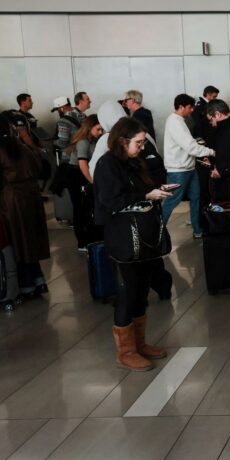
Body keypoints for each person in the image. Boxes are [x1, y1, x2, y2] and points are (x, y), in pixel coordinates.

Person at [93, 117, 172, 371]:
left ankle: (139, 343)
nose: (142, 147)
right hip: (123, 239)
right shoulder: (107, 165)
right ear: (122, 141)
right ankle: (125, 351)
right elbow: (111, 201)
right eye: (138, 142)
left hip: (143, 238)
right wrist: (146, 195)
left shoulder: (132, 162)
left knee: (141, 290)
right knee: (126, 293)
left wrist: (157, 189)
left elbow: (140, 189)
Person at [0, 114, 51, 298]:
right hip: (32, 197)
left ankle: (25, 285)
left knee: (16, 243)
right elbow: (39, 168)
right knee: (30, 242)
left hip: (11, 201)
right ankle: (38, 281)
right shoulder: (23, 147)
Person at [161, 94, 215, 238]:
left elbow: (189, 144)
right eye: (190, 107)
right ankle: (157, 232)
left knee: (196, 198)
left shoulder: (180, 120)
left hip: (188, 168)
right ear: (181, 107)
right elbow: (190, 147)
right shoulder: (175, 122)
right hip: (178, 170)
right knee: (172, 201)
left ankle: (197, 230)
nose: (192, 110)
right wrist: (211, 152)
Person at [64, 115, 104, 250]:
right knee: (80, 209)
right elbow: (82, 165)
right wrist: (92, 182)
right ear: (89, 127)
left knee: (86, 208)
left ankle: (89, 238)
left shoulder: (92, 140)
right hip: (76, 175)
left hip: (82, 174)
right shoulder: (83, 142)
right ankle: (82, 241)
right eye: (98, 129)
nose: (100, 132)